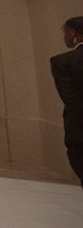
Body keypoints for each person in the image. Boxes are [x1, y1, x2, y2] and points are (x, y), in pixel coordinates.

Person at [50, 16, 83, 190]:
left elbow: (71, 99)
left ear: (73, 33)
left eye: (65, 32)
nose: (65, 37)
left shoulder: (63, 62)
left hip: (79, 131)